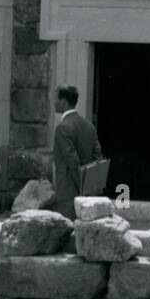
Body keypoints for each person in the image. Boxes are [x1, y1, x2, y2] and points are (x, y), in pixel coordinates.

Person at [51, 84, 103, 220]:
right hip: (88, 193)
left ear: (63, 102)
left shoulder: (62, 128)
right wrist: (90, 189)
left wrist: (82, 188)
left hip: (68, 192)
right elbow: (98, 159)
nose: (53, 102)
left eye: (55, 99)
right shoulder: (89, 126)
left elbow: (72, 161)